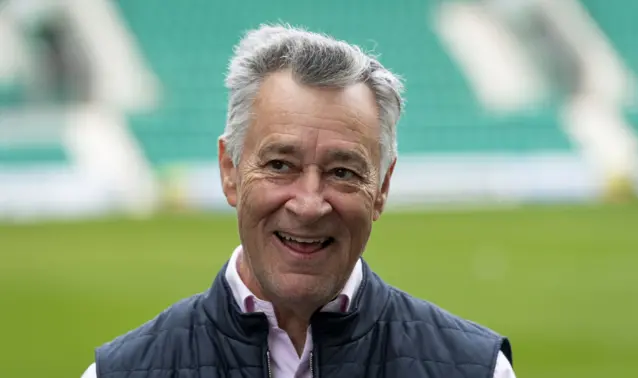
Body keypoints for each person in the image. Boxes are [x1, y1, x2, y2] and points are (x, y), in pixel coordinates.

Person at [81, 24, 516, 378]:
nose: (309, 205)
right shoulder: (118, 373)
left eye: (342, 172)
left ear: (381, 188)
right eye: (280, 165)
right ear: (229, 171)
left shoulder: (479, 370)